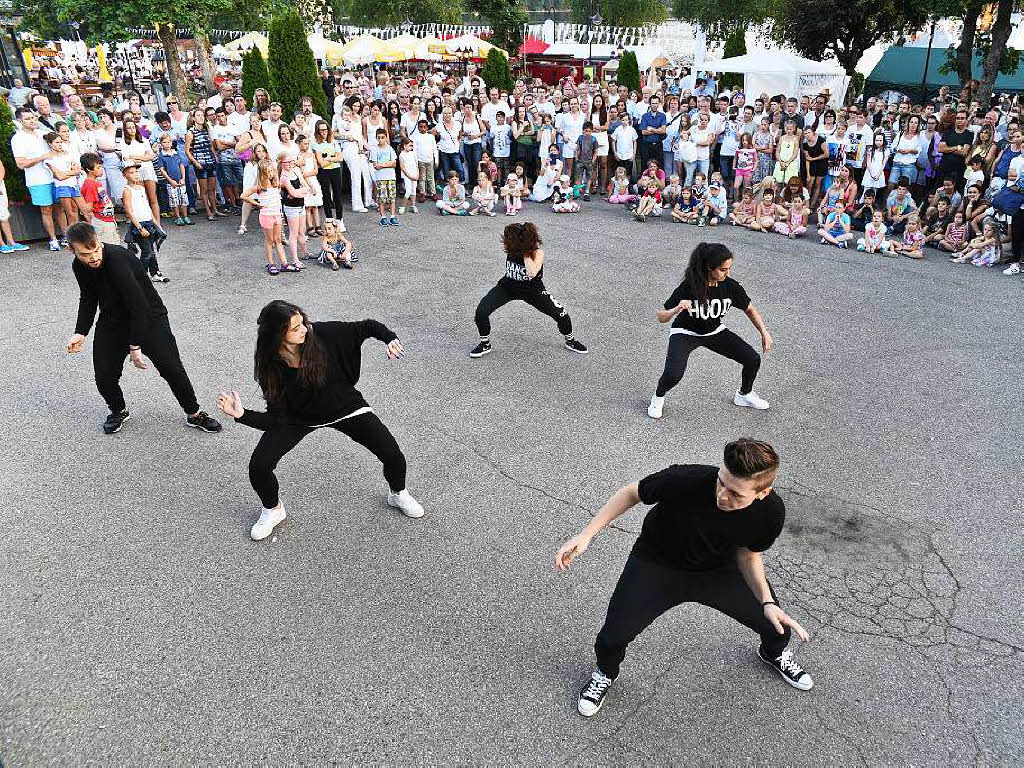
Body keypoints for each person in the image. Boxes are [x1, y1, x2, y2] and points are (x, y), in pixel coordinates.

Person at [556, 438, 813, 718]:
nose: (722, 496)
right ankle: (605, 673)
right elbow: (632, 493)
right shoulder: (684, 480)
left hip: (718, 571)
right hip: (657, 563)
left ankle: (773, 654)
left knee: (776, 626)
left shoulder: (770, 513)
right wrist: (586, 535)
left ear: (763, 493)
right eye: (721, 482)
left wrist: (766, 601)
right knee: (612, 637)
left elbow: (748, 555)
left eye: (736, 494)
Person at [215, 300, 424, 541]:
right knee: (259, 467)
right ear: (277, 335)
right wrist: (242, 415)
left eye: (302, 321)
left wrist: (390, 338)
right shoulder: (270, 366)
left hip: (344, 407)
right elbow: (275, 420)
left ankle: (397, 493)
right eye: (295, 328)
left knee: (392, 453)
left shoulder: (322, 334)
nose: (304, 328)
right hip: (298, 418)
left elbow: (366, 327)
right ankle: (273, 510)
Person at [64, 222, 222, 436]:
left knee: (171, 368)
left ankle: (194, 414)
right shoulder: (78, 266)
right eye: (85, 254)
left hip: (149, 317)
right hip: (113, 321)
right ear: (71, 250)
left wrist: (135, 344)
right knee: (104, 375)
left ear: (100, 243)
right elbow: (89, 297)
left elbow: (138, 304)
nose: (93, 257)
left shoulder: (118, 260)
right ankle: (118, 410)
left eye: (96, 250)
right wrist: (80, 332)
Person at [647, 243, 772, 419]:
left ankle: (744, 395)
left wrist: (764, 333)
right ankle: (658, 396)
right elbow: (661, 317)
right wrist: (675, 310)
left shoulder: (730, 286)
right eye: (723, 270)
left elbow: (750, 309)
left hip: (714, 331)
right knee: (673, 374)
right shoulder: (689, 286)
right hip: (685, 332)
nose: (727, 273)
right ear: (709, 268)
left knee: (752, 359)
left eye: (729, 268)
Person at [470, 222, 588, 358]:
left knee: (562, 315)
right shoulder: (511, 248)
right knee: (481, 311)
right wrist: (518, 248)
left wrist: (525, 251)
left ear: (519, 241)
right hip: (507, 287)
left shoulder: (537, 253)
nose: (505, 240)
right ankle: (485, 344)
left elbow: (532, 272)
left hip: (533, 291)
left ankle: (570, 340)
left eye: (508, 238)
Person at [12, 109, 63, 251]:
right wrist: (42, 157)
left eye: (33, 117)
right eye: (28, 119)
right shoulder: (18, 139)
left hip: (55, 176)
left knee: (60, 207)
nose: (32, 120)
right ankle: (53, 239)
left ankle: (67, 236)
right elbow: (20, 164)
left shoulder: (42, 134)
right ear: (20, 121)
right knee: (46, 209)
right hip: (37, 180)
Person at [370, 128, 399, 227]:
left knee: (392, 197)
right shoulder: (374, 150)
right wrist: (387, 163)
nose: (381, 139)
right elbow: (375, 165)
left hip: (391, 176)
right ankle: (383, 217)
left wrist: (382, 164)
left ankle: (392, 216)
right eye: (379, 138)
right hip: (380, 177)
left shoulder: (390, 149)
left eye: (383, 137)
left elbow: (394, 163)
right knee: (382, 198)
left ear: (386, 138)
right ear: (376, 138)